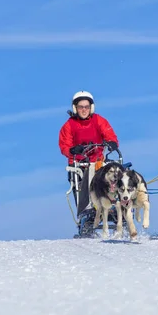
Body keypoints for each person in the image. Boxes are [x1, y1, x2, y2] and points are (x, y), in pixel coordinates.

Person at [59, 91, 119, 227]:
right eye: (80, 107)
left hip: (98, 161)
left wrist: (112, 142)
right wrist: (72, 150)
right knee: (84, 178)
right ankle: (87, 209)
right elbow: (64, 145)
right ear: (75, 108)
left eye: (86, 107)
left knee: (113, 173)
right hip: (79, 163)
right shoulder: (69, 125)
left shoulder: (98, 120)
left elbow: (109, 133)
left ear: (91, 107)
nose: (84, 110)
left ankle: (113, 204)